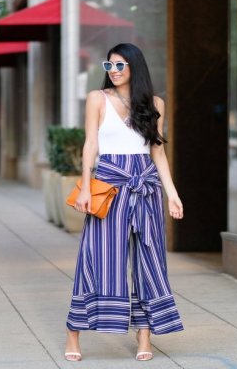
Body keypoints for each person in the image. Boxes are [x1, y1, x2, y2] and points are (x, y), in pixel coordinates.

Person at [64, 43, 184, 362]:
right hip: (109, 184)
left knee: (149, 261)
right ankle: (74, 331)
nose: (114, 71)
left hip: (145, 187)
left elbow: (157, 151)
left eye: (120, 65)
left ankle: (144, 336)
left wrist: (172, 193)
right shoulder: (97, 99)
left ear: (134, 67)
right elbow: (91, 144)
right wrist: (86, 187)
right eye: (109, 66)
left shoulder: (155, 103)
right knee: (96, 258)